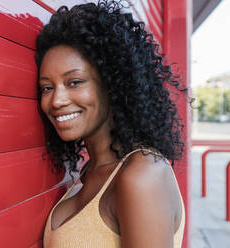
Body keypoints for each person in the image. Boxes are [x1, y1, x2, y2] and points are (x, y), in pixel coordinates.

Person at [35, 1, 189, 247]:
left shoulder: (142, 175)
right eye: (47, 87)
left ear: (112, 84)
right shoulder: (89, 172)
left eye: (74, 82)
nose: (57, 100)